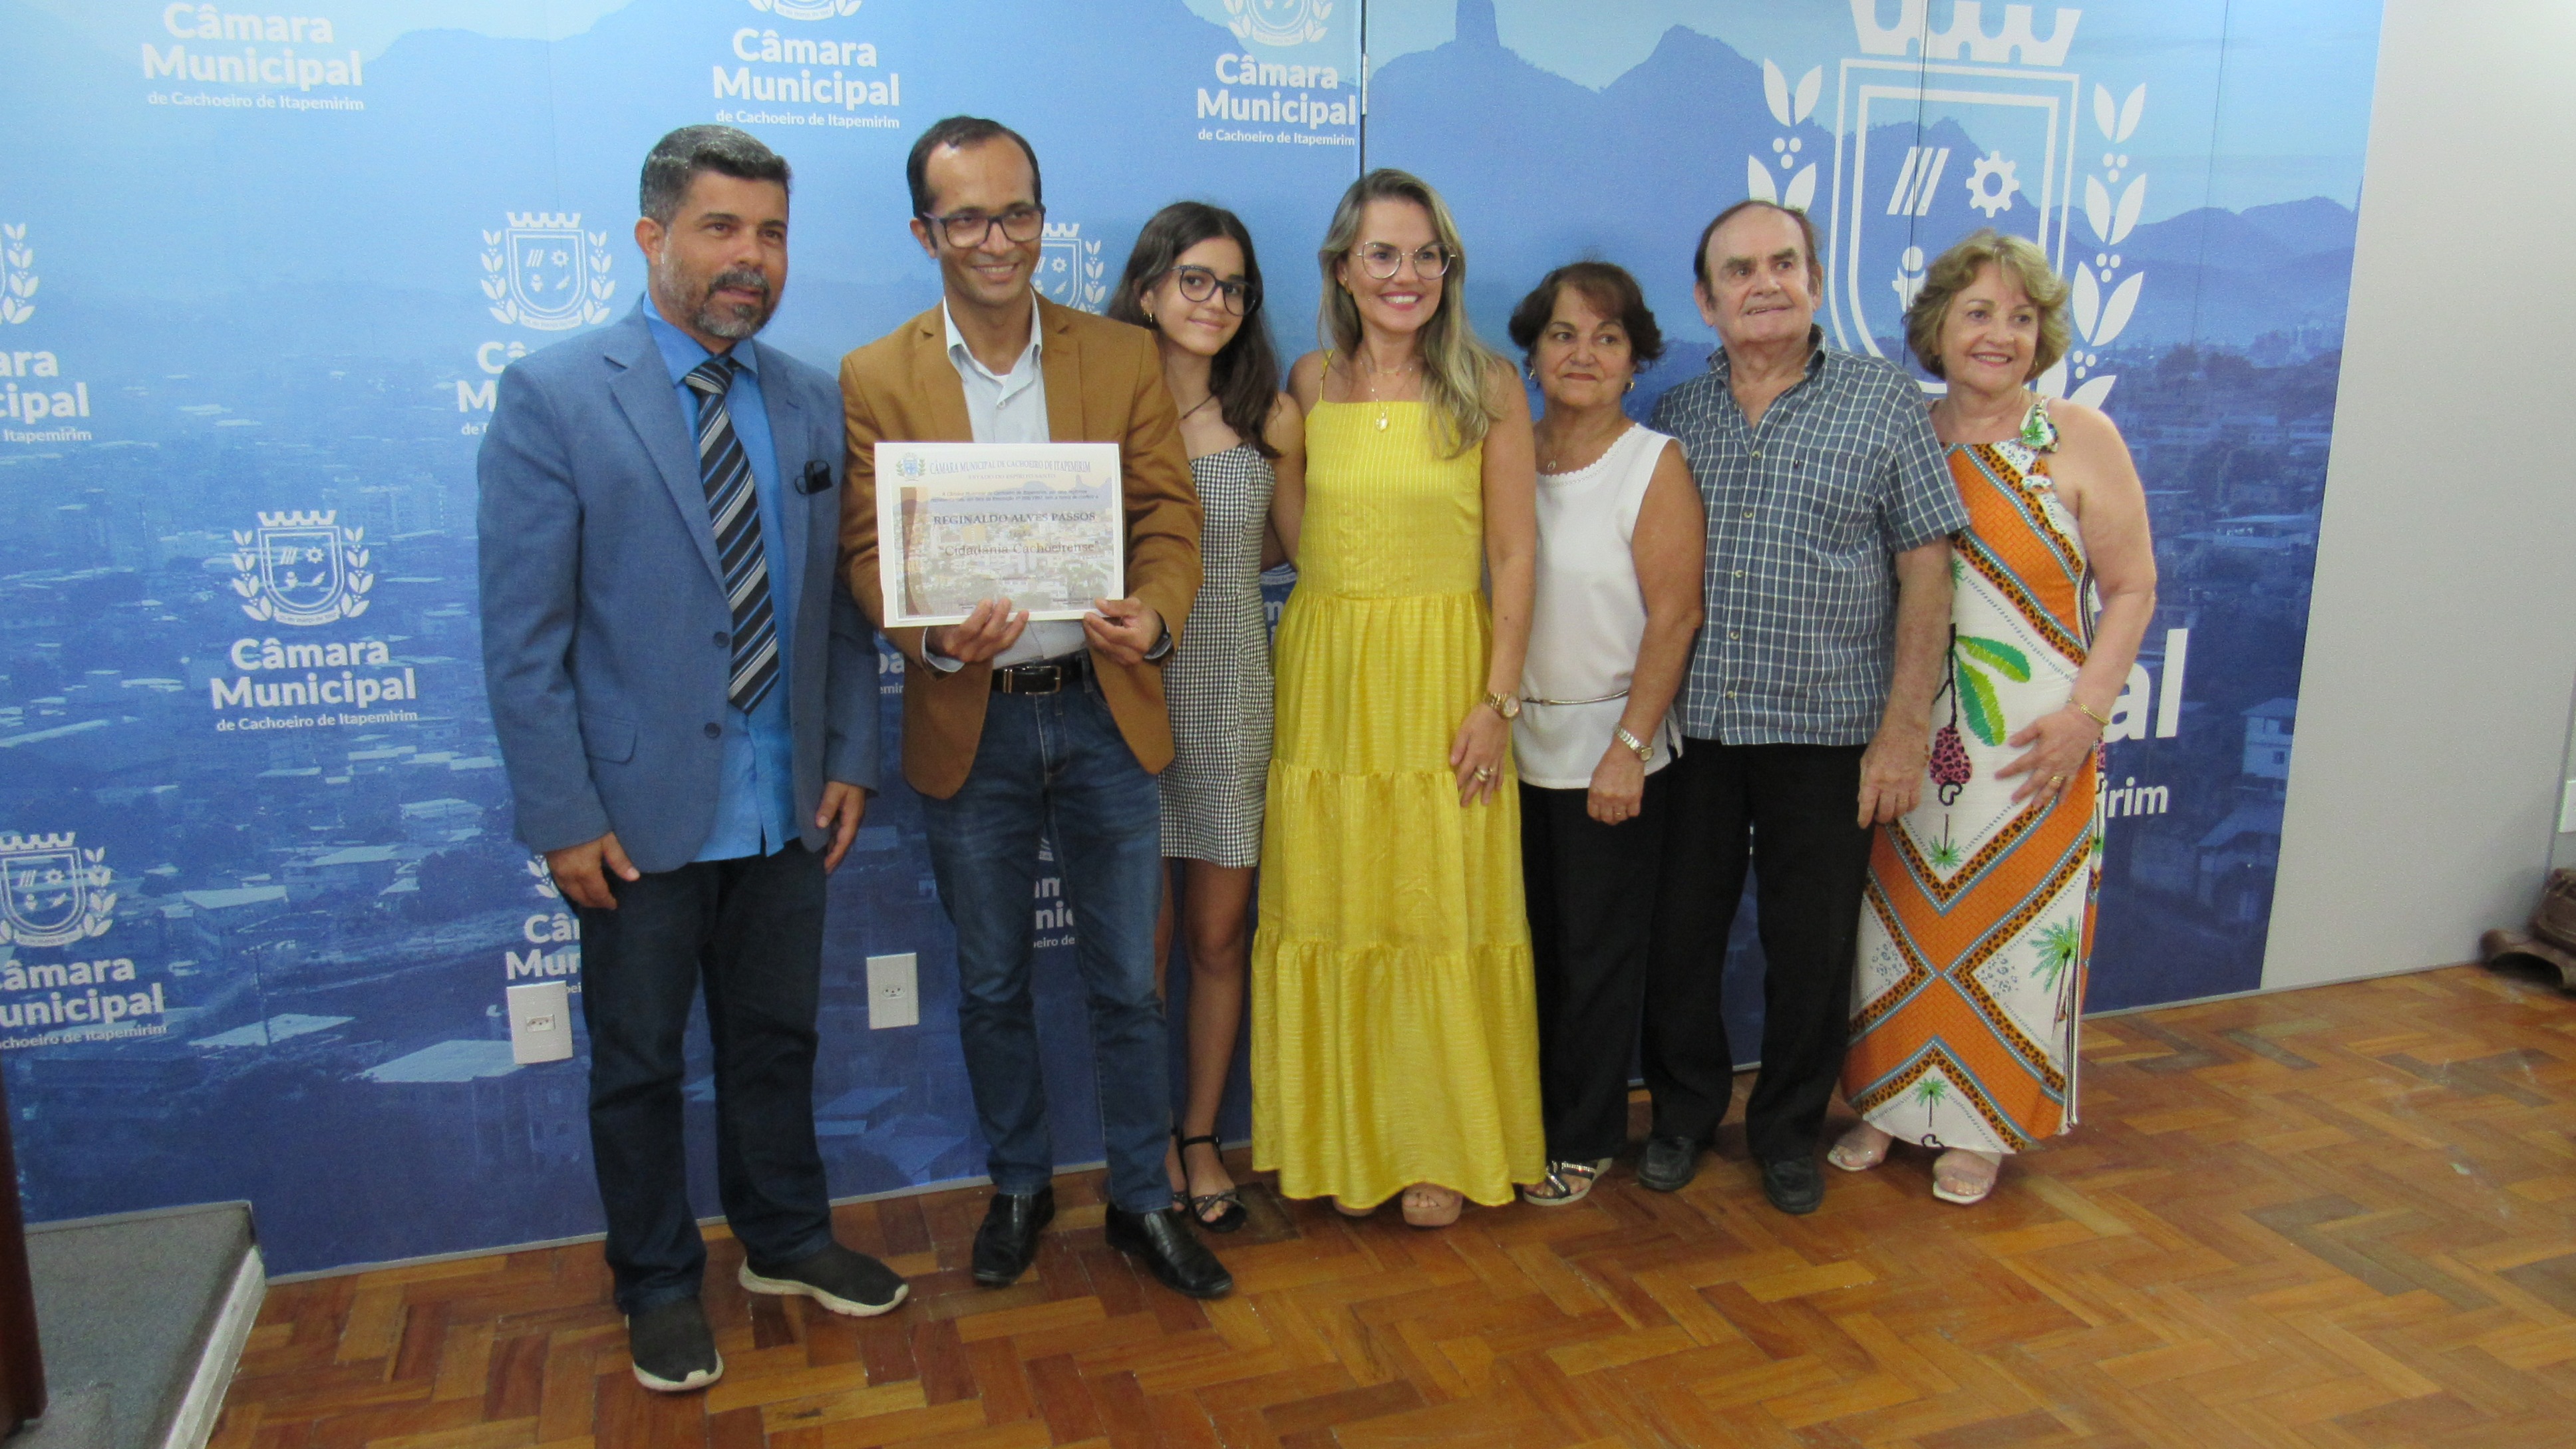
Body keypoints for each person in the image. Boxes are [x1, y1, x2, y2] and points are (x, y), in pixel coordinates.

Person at [478, 126, 904, 1394]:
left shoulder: (811, 397)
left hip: (785, 800)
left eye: (771, 232)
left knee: (777, 1038)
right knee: (641, 1062)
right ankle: (658, 1282)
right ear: (652, 237)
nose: (750, 257)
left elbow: (833, 609)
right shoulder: (555, 394)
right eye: (721, 228)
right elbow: (524, 639)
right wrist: (561, 815)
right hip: (632, 813)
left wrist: (848, 754)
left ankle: (784, 1237)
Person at [837, 116, 1230, 1299]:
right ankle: (1018, 1185)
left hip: (1106, 708)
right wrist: (926, 634)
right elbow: (866, 552)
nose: (996, 239)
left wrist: (1155, 615)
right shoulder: (876, 376)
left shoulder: (1119, 355)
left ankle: (1142, 1199)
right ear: (926, 233)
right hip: (974, 718)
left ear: (1042, 220)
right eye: (967, 218)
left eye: (1016, 213)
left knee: (1129, 982)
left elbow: (1169, 517)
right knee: (994, 980)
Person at [1641, 199, 1967, 1215]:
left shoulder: (1883, 402)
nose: (1765, 284)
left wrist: (1905, 727)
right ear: (1707, 301)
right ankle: (1684, 1114)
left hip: (1829, 733)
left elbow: (1926, 569)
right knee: (1680, 939)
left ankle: (1787, 1129)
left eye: (1784, 263)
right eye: (1739, 271)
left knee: (1810, 949)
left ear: (1816, 281)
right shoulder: (1679, 417)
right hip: (1695, 728)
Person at [1828, 230, 2157, 1205]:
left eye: (2021, 318)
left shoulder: (2080, 438)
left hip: (2031, 750)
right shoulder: (1904, 434)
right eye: (1978, 313)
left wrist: (2086, 717)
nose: (1999, 336)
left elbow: (2133, 588)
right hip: (1909, 740)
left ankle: (1983, 1126)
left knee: (2008, 938)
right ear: (1938, 325)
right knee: (1893, 934)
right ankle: (1888, 1106)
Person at [1251, 168, 1543, 1229]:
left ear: (1449, 269)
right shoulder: (1312, 380)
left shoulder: (1489, 385)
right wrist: (1286, 462)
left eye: (1427, 255)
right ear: (1342, 268)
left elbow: (1515, 556)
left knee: (1432, 909)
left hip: (1440, 678)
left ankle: (1437, 1143)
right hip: (1329, 676)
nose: (1405, 274)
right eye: (1383, 253)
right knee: (1338, 904)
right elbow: (1302, 541)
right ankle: (1341, 1138)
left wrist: (1497, 701)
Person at [1105, 202, 1305, 1233]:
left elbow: (1294, 548)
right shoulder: (1099, 407)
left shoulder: (1270, 418)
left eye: (1234, 286)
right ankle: (1143, 1150)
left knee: (1219, 938)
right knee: (1139, 952)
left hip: (1229, 692)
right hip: (1124, 698)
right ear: (1147, 290)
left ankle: (1199, 1137)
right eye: (1195, 279)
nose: (1216, 302)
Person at [1503, 263, 1705, 1207]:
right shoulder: (1503, 455)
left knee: (1594, 958)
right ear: (1532, 354)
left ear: (1636, 361)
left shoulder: (1651, 463)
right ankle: (1514, 1124)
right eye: (1563, 334)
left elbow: (1676, 616)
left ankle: (1581, 1138)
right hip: (1506, 751)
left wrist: (1629, 749)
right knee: (1522, 951)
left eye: (1608, 337)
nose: (1583, 354)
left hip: (1612, 757)